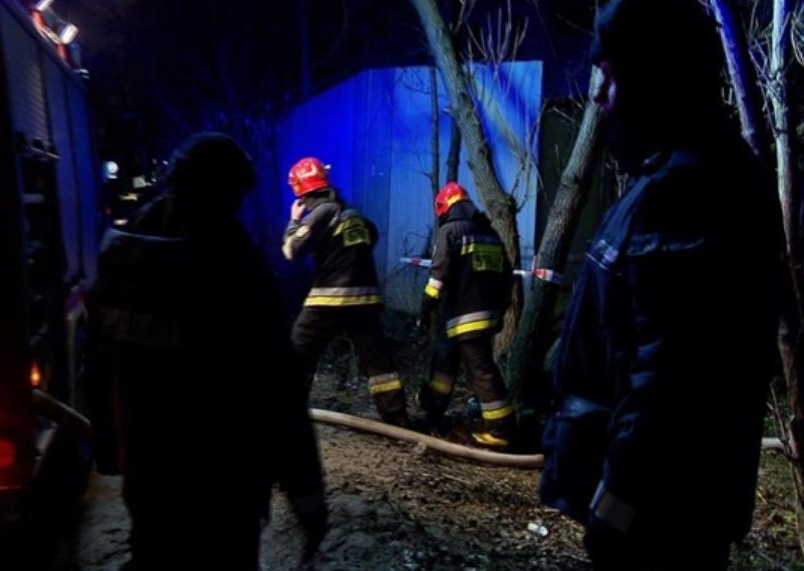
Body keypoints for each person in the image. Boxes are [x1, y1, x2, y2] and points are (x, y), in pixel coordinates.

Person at [539, 1, 783, 569]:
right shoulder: (676, 176)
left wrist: (617, 507)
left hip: (658, 522)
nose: (598, 95)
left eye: (610, 76)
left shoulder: (690, 190)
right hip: (657, 513)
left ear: (655, 80)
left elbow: (671, 376)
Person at [86, 133, 328, 570]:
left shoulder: (123, 250)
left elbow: (101, 359)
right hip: (225, 481)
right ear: (227, 190)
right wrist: (305, 490)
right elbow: (278, 383)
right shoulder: (232, 261)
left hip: (150, 473)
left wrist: (106, 443)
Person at [282, 157, 410, 427]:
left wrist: (294, 221)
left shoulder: (321, 212)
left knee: (299, 351)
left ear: (301, 191)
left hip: (330, 297)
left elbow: (291, 250)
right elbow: (372, 236)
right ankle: (396, 418)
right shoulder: (353, 213)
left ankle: (286, 411)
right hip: (366, 298)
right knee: (377, 360)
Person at [416, 182, 516, 449]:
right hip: (482, 316)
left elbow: (438, 277)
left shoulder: (450, 231)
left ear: (444, 208)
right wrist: (500, 308)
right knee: (445, 363)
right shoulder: (490, 233)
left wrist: (425, 309)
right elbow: (507, 275)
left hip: (463, 316)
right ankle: (433, 412)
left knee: (481, 372)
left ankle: (501, 430)